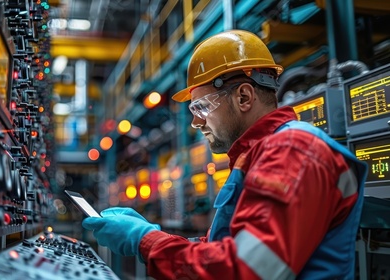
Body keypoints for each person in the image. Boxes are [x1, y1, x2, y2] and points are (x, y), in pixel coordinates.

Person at [82, 30, 368, 279]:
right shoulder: (260, 155)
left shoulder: (293, 151)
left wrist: (145, 240)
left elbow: (244, 270)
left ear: (244, 97)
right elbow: (226, 245)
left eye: (201, 107)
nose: (196, 122)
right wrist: (154, 235)